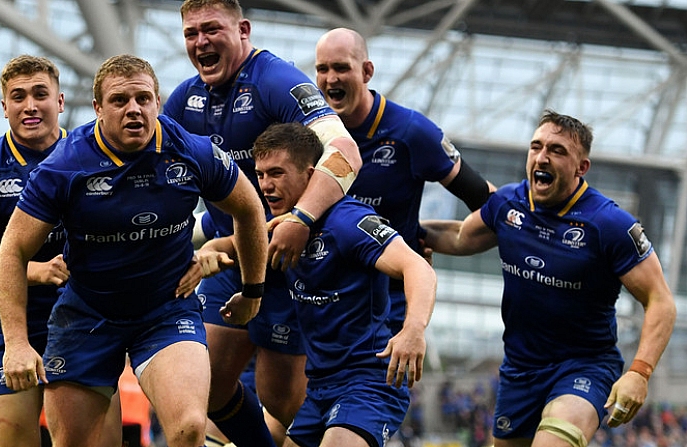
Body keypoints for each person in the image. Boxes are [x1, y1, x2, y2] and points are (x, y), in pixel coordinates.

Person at [0, 54, 268, 447]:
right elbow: (13, 250)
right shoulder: (64, 166)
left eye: (143, 99)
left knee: (190, 427)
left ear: (157, 101)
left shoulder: (191, 151)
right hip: (87, 315)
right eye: (120, 101)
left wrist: (253, 289)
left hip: (166, 310)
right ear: (98, 109)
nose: (134, 110)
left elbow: (249, 207)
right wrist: (16, 343)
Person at [163, 1, 362, 445]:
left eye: (212, 29)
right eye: (191, 33)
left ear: (243, 30)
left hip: (287, 260)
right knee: (207, 385)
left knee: (282, 399)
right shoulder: (184, 100)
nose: (201, 42)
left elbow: (346, 153)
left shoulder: (276, 81)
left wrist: (302, 218)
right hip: (227, 257)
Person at [420, 110, 676, 447]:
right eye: (536, 146)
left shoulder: (609, 224)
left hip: (585, 367)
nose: (542, 156)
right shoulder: (508, 204)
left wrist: (639, 373)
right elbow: (457, 237)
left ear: (581, 168)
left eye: (557, 150)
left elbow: (660, 300)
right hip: (520, 371)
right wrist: (391, 237)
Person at [196, 122, 437, 447]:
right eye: (261, 174)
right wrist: (210, 252)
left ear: (311, 175)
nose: (265, 185)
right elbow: (229, 243)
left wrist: (413, 330)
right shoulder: (282, 225)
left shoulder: (348, 222)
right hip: (320, 387)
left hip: (368, 381)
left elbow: (417, 267)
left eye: (277, 173)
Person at [0, 55, 122, 447]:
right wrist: (37, 270)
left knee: (102, 442)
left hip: (87, 318)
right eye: (18, 96)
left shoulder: (95, 156)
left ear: (60, 102)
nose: (30, 105)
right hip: (12, 322)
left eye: (40, 94)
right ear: (5, 107)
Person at [314, 27, 495, 334]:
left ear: (367, 71)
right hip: (320, 290)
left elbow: (484, 198)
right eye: (322, 69)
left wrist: (427, 236)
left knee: (377, 381)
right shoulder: (308, 128)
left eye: (342, 67)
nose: (331, 79)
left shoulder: (411, 131)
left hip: (387, 300)